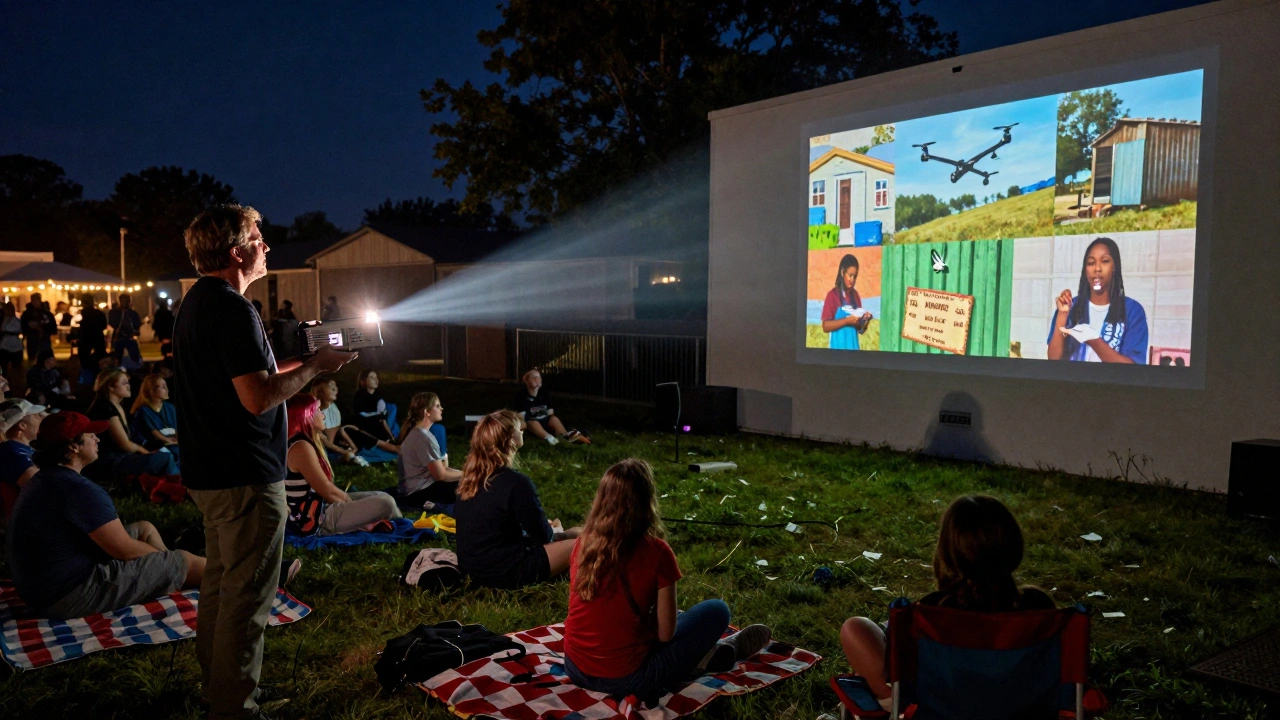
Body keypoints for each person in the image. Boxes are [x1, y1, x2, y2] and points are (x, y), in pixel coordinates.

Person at [175, 203, 354, 720]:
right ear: (238, 251)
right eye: (259, 236)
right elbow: (258, 397)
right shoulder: (232, 308)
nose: (268, 245)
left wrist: (313, 361)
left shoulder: (199, 303)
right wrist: (319, 366)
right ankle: (235, 705)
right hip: (244, 473)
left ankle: (220, 689)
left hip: (211, 469)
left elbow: (249, 380)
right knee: (250, 593)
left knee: (222, 582)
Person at [563, 458, 771, 703]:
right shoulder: (657, 552)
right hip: (627, 679)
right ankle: (716, 654)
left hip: (575, 666)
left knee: (672, 620)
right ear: (647, 501)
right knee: (716, 610)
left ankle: (707, 655)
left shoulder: (583, 543)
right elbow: (664, 635)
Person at [839, 495, 1054, 711]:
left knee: (855, 629)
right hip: (1020, 708)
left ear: (948, 551)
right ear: (1014, 544)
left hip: (942, 708)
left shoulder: (932, 611)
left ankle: (890, 705)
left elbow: (898, 670)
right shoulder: (1039, 606)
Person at [7, 411, 205, 620]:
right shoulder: (77, 489)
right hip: (67, 596)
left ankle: (168, 578)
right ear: (73, 446)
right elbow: (124, 550)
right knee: (184, 560)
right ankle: (235, 580)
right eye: (91, 434)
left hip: (44, 589)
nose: (97, 438)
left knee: (144, 529)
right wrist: (168, 561)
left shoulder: (47, 479)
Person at [454, 410, 581, 589]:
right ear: (508, 439)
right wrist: (557, 532)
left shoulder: (469, 480)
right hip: (504, 572)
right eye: (518, 428)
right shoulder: (516, 483)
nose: (522, 431)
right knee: (582, 544)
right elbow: (543, 537)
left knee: (570, 533)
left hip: (471, 569)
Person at [283, 394, 400, 536]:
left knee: (385, 497)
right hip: (312, 520)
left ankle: (393, 524)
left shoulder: (305, 442)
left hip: (320, 506)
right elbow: (327, 490)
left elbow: (326, 488)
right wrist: (349, 504)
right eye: (319, 410)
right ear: (306, 415)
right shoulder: (301, 447)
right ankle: (400, 526)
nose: (323, 416)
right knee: (385, 505)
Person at [1047, 237, 1148, 364]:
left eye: (1105, 261)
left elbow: (1133, 368)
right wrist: (1062, 315)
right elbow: (1053, 359)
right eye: (1091, 263)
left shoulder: (1132, 311)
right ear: (1085, 269)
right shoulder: (1072, 306)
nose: (1097, 268)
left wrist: (1094, 341)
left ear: (1114, 267)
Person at [86, 367, 180, 479]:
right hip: (111, 461)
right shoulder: (106, 408)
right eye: (124, 383)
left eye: (128, 382)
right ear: (111, 386)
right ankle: (178, 488)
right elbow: (124, 444)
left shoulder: (117, 406)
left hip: (121, 457)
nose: (128, 385)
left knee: (168, 454)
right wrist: (145, 452)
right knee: (164, 458)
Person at [311, 378, 398, 465]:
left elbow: (336, 430)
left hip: (340, 440)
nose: (335, 388)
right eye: (331, 386)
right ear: (320, 391)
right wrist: (344, 450)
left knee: (358, 432)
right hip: (329, 444)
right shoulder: (313, 412)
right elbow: (326, 441)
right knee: (355, 436)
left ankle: (395, 449)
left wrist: (345, 432)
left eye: (335, 386)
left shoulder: (334, 409)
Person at [396, 392, 460, 507]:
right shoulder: (424, 438)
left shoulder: (417, 432)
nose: (441, 408)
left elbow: (442, 469)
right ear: (427, 412)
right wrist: (469, 476)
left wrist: (467, 474)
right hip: (418, 494)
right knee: (471, 486)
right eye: (437, 406)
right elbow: (441, 476)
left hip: (413, 489)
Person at [0, 398, 47, 526]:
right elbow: (42, 488)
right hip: (29, 526)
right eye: (37, 416)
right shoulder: (11, 451)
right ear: (22, 425)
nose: (43, 418)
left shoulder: (20, 449)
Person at [514, 369, 589, 445]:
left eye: (539, 377)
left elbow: (550, 414)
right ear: (526, 381)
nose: (537, 379)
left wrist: (554, 425)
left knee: (554, 419)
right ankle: (549, 437)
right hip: (532, 425)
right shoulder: (521, 396)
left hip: (545, 421)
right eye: (534, 377)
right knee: (532, 422)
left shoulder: (544, 394)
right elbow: (521, 417)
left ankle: (566, 435)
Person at [821, 254, 873, 350]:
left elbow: (860, 330)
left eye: (855, 276)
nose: (852, 280)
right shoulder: (832, 296)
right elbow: (825, 326)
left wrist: (865, 321)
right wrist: (846, 321)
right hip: (837, 350)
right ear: (842, 272)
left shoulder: (856, 296)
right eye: (850, 275)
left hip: (853, 348)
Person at [130, 374, 180, 459]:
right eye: (163, 387)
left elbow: (177, 427)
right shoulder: (143, 411)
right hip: (156, 445)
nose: (167, 390)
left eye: (166, 386)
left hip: (172, 442)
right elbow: (153, 432)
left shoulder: (170, 407)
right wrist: (169, 441)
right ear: (151, 390)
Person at [351, 369, 396, 443]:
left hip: (379, 422)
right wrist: (378, 415)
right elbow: (360, 414)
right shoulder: (359, 396)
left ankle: (390, 436)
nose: (375, 379)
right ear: (363, 381)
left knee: (392, 408)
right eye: (372, 377)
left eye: (376, 377)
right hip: (366, 424)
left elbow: (382, 417)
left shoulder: (378, 396)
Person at [77, 294, 109, 385]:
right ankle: (100, 380)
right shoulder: (99, 313)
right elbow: (104, 325)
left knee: (85, 361)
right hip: (98, 338)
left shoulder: (85, 313)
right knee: (100, 360)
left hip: (86, 339)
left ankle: (87, 382)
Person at [110, 294, 144, 369]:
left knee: (133, 356)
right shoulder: (116, 313)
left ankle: (134, 369)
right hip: (121, 337)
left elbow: (137, 325)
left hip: (127, 337)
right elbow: (113, 324)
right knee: (118, 357)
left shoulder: (131, 313)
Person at [21, 293, 54, 362]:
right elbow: (24, 325)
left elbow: (51, 325)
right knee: (33, 356)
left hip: (44, 338)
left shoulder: (45, 312)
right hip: (33, 337)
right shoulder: (27, 313)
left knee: (45, 356)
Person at [0, 303, 24, 379]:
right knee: (4, 367)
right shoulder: (4, 320)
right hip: (5, 346)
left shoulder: (16, 321)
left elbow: (19, 331)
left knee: (16, 367)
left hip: (15, 346)